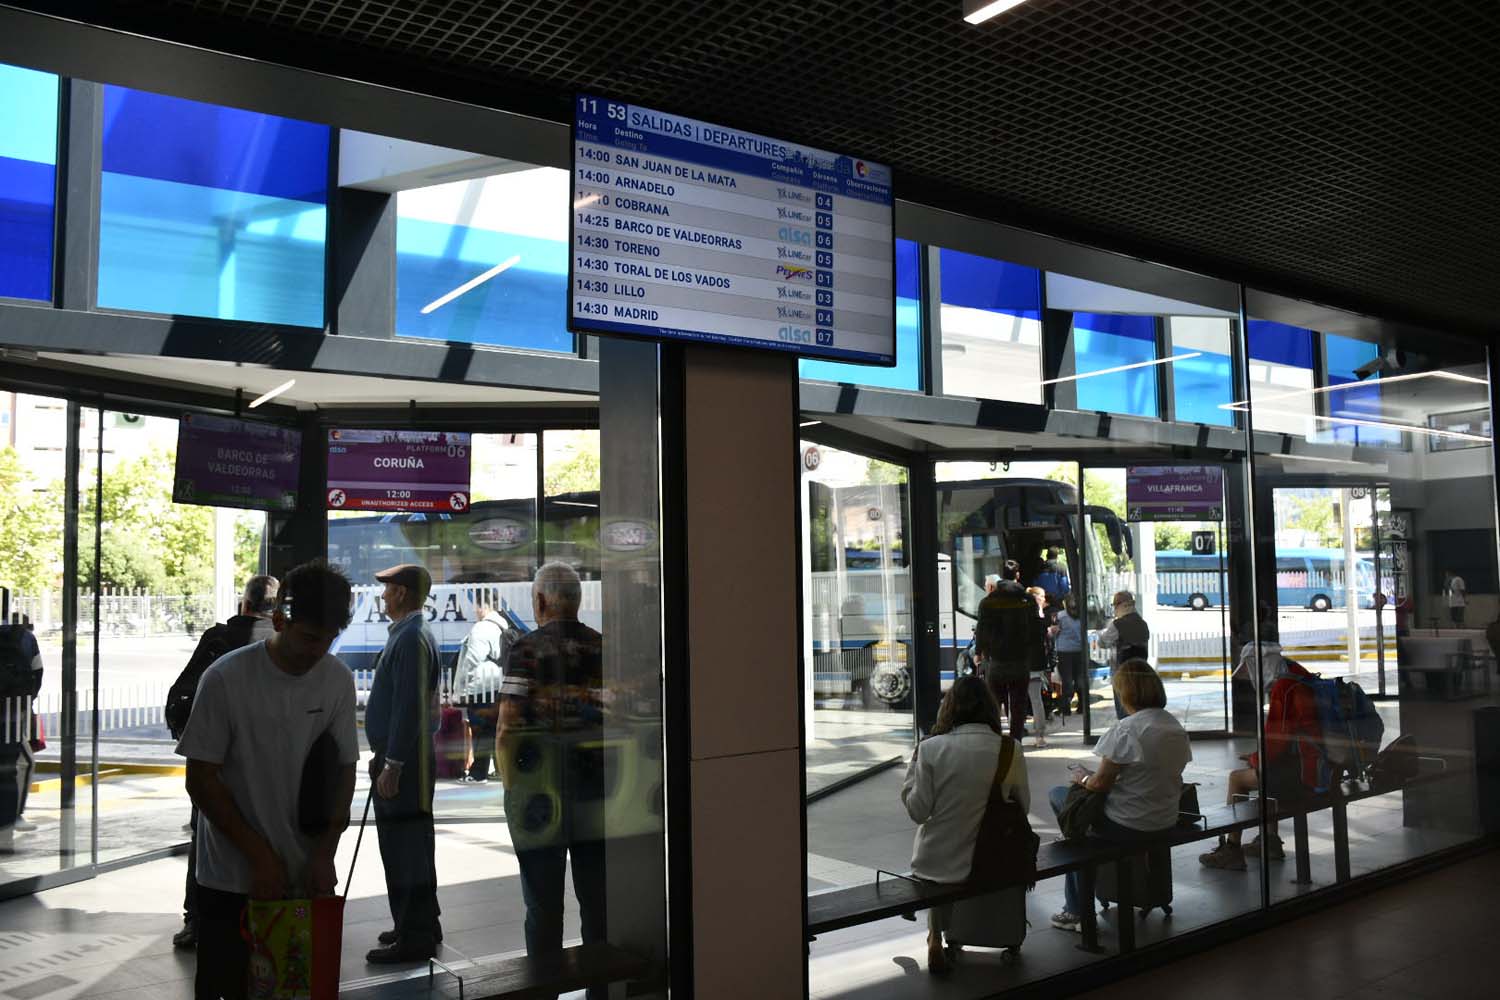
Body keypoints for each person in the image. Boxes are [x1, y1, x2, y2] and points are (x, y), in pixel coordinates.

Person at [176, 561, 358, 1000]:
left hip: (301, 878)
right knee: (228, 987)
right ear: (279, 620)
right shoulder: (226, 678)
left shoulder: (336, 680)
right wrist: (259, 856)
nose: (318, 650)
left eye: (329, 639)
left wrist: (325, 852)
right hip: (230, 880)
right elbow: (201, 780)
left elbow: (344, 771)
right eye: (309, 637)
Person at [498, 563, 606, 999]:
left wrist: (510, 786)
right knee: (598, 903)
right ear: (576, 602)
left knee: (542, 905)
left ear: (541, 601)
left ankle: (544, 992)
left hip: (538, 796)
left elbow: (507, 726)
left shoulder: (526, 649)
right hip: (596, 792)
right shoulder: (601, 646)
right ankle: (601, 991)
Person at [163, 574, 279, 950]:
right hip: (270, 765)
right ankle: (270, 916)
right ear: (277, 609)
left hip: (215, 761)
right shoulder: (284, 643)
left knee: (206, 834)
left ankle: (197, 920)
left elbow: (183, 693)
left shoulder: (219, 638)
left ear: (244, 604)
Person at [1048, 659, 1191, 932]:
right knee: (1078, 822)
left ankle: (1076, 910)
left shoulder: (1127, 729)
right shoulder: (1174, 727)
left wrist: (1082, 777)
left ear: (1126, 693)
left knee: (1060, 798)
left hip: (1128, 824)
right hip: (1164, 819)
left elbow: (1100, 783)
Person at [902, 676, 1030, 974]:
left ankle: (935, 936)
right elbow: (1023, 807)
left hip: (938, 864)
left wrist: (911, 774)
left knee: (936, 863)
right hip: (994, 858)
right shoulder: (1010, 749)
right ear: (990, 708)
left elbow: (918, 812)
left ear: (949, 708)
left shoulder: (930, 748)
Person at [364, 563, 443, 963]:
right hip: (408, 756)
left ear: (401, 593)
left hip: (405, 760)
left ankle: (414, 936)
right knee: (414, 843)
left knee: (403, 847)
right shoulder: (411, 633)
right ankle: (421, 922)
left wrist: (392, 763)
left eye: (387, 588)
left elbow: (408, 706)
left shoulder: (411, 637)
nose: (382, 596)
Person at [1200, 645, 1320, 870]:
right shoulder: (1300, 674)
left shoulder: (1284, 687)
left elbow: (1275, 743)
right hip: (1319, 764)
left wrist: (1255, 759)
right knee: (1267, 772)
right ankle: (1269, 841)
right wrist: (1258, 758)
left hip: (1303, 771)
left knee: (1237, 778)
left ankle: (1232, 848)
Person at [974, 561, 1046, 744]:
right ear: (1018, 575)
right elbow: (1037, 630)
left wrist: (979, 652)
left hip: (996, 661)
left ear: (1001, 574)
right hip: (1020, 661)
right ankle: (1016, 742)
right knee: (1018, 705)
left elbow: (981, 629)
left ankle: (995, 742)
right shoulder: (1027, 600)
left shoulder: (988, 602)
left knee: (994, 704)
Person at [451, 604, 517, 783]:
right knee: (494, 729)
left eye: (477, 607)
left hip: (480, 686)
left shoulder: (481, 628)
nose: (475, 610)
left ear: (485, 606)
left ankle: (478, 774)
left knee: (480, 731)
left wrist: (461, 688)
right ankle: (500, 769)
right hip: (497, 684)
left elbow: (471, 660)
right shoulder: (501, 626)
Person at [0, 615, 44, 856]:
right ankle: (5, 837)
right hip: (12, 719)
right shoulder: (25, 637)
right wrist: (23, 705)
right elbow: (37, 674)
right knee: (8, 774)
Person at [1099, 591, 1149, 720]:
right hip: (1141, 672)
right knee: (1137, 706)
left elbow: (1102, 643)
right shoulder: (1142, 624)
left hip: (1121, 672)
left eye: (1114, 605)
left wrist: (1103, 632)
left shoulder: (1117, 625)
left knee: (1123, 709)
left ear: (1119, 605)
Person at [1025, 586, 1053, 748]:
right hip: (1035, 665)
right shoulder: (1040, 621)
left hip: (1018, 663)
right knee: (1036, 700)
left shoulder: (1018, 619)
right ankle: (1039, 736)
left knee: (1015, 700)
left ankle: (1016, 734)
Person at [1051, 596, 1086, 720]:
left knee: (1067, 679)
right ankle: (1082, 706)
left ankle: (1065, 708)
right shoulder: (1082, 615)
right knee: (1079, 678)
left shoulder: (1060, 616)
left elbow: (1054, 632)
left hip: (1064, 651)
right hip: (1079, 650)